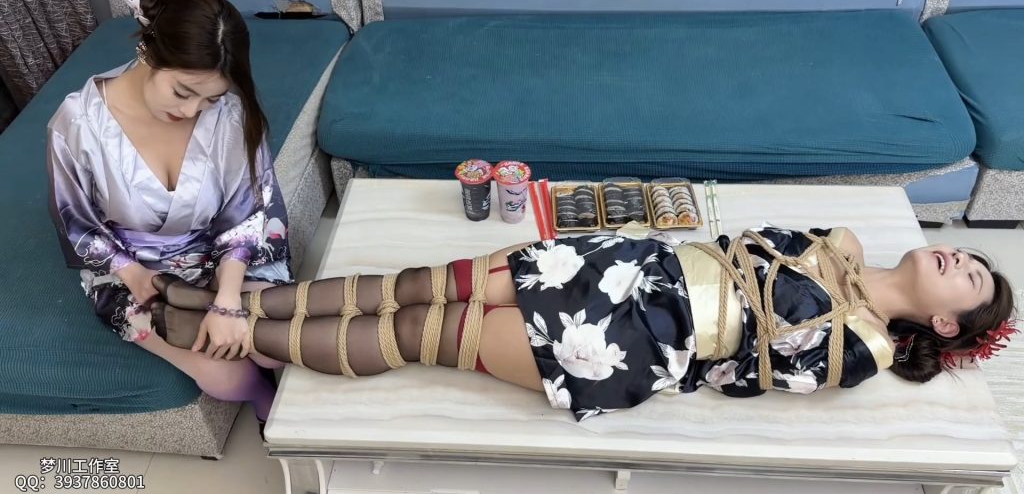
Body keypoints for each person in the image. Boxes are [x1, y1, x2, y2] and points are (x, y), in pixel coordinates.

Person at [148, 225, 1015, 421]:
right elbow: (733, 247)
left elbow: (741, 374)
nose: (957, 258)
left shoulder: (863, 349)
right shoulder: (844, 241)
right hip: (627, 263)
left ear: (946, 322)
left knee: (422, 331)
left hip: (637, 341)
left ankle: (219, 330)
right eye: (966, 254)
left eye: (970, 276)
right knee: (414, 285)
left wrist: (681, 338)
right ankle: (219, 304)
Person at [46, 0, 290, 423]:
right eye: (182, 91)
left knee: (276, 345)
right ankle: (263, 403)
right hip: (135, 267)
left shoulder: (229, 114)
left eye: (210, 98)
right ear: (149, 53)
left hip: (228, 249)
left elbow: (246, 212)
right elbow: (77, 222)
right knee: (225, 376)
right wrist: (136, 276)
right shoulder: (77, 126)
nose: (193, 110)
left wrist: (228, 299)